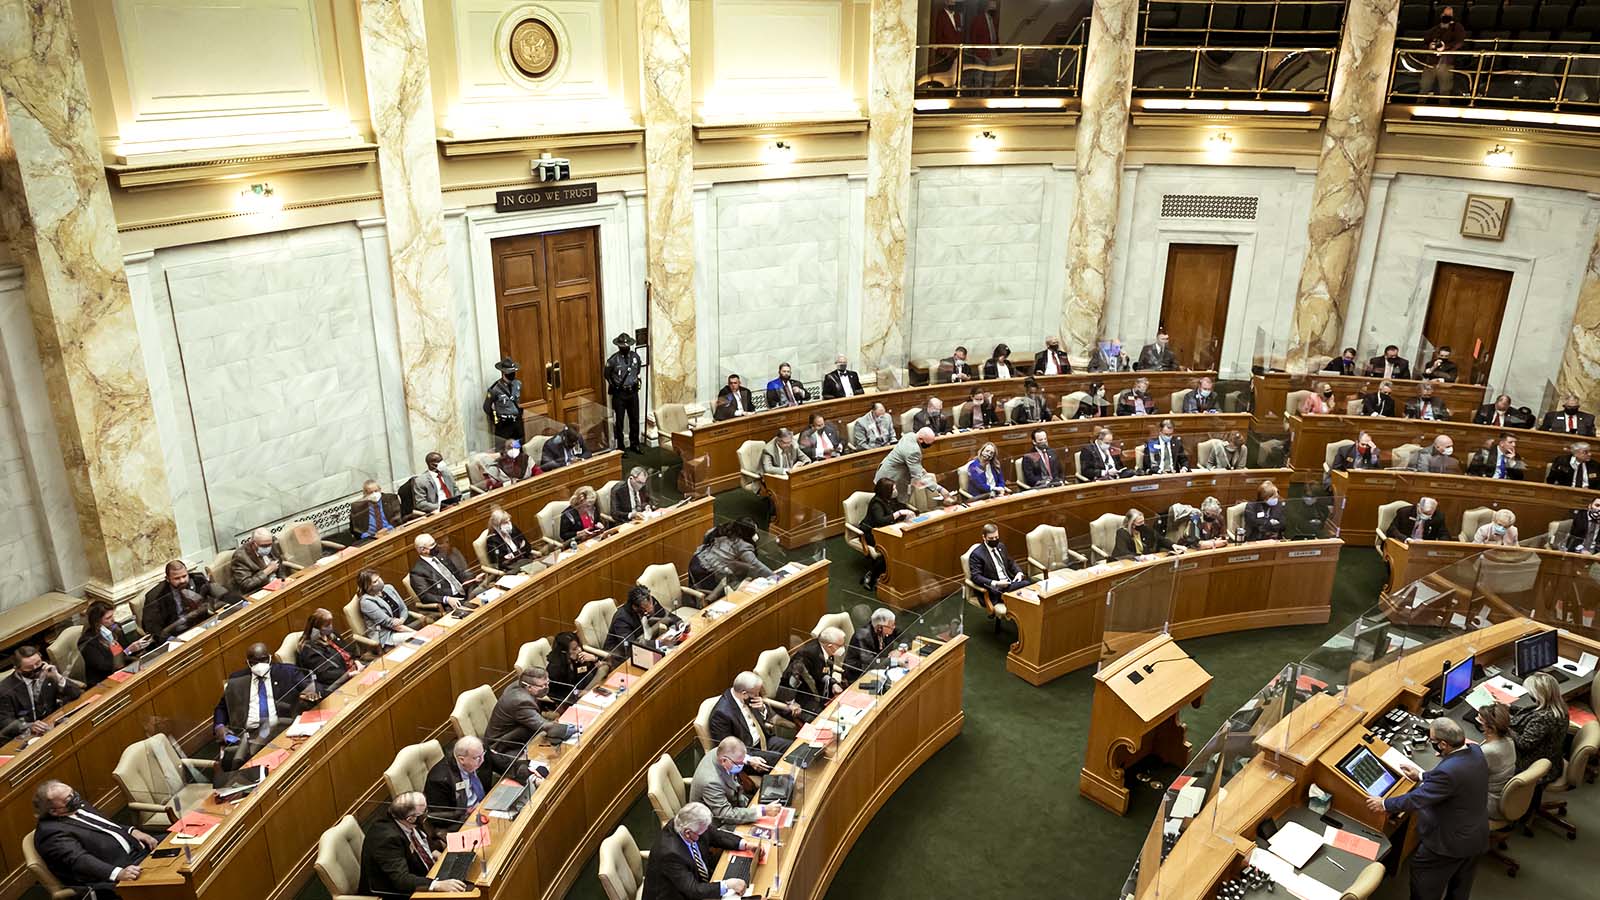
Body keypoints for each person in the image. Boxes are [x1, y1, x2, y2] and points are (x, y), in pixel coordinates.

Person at [1363, 717, 1487, 900]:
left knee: (1425, 884)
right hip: (1475, 835)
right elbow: (1453, 777)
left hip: (1449, 842)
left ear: (1443, 744)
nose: (1430, 743)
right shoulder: (1475, 750)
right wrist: (1422, 775)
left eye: (1432, 740)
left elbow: (1418, 798)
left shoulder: (1448, 772)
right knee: (1460, 887)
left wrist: (1384, 804)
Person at [32, 780, 159, 892]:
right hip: (116, 870)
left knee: (170, 841)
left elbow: (107, 825)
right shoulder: (51, 833)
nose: (74, 797)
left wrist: (133, 831)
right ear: (54, 811)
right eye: (68, 799)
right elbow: (80, 860)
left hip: (136, 849)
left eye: (72, 792)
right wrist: (118, 873)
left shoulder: (78, 806)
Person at [359, 792, 469, 896]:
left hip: (426, 873)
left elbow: (422, 842)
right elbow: (401, 880)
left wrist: (436, 854)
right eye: (424, 812)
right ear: (411, 819)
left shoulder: (406, 819)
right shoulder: (387, 840)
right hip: (398, 892)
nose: (427, 814)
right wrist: (437, 885)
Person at [641, 802, 754, 900]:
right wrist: (727, 885)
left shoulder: (688, 824)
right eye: (701, 833)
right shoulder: (670, 854)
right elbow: (693, 890)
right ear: (687, 833)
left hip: (695, 882)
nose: (705, 833)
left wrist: (745, 844)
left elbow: (716, 835)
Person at [212, 643, 316, 747]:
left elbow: (311, 686)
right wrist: (219, 725)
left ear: (270, 658)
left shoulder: (287, 672)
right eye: (254, 662)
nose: (259, 665)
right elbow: (222, 708)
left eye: (263, 660)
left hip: (281, 729)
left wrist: (312, 692)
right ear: (248, 663)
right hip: (249, 734)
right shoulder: (237, 680)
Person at [708, 671, 797, 768]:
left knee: (796, 748)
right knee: (785, 761)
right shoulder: (721, 714)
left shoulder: (748, 696)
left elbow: (763, 720)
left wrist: (762, 709)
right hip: (748, 752)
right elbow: (726, 749)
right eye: (756, 693)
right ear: (744, 694)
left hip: (765, 740)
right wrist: (748, 759)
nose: (758, 695)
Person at [690, 737, 782, 828]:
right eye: (739, 763)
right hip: (714, 823)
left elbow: (737, 758)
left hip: (735, 800)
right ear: (724, 760)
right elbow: (726, 815)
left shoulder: (721, 752)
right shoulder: (710, 782)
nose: (742, 766)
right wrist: (763, 811)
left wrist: (748, 760)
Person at [424, 736, 506, 830]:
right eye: (477, 758)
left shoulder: (480, 752)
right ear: (461, 759)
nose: (482, 760)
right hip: (464, 821)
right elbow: (438, 817)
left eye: (483, 754)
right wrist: (465, 813)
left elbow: (508, 766)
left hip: (488, 805)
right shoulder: (438, 780)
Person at [0, 646, 82, 740]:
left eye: (38, 663)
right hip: (27, 736)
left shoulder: (48, 673)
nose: (36, 669)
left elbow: (75, 693)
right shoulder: (4, 690)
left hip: (51, 725)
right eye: (29, 668)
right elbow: (5, 721)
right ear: (17, 669)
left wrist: (58, 677)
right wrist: (28, 726)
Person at [485, 666, 573, 747]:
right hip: (502, 745)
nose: (546, 688)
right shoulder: (521, 701)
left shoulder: (520, 685)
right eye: (542, 686)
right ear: (529, 687)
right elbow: (543, 725)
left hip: (519, 731)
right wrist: (571, 729)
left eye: (547, 683)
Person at [78, 600, 153, 688]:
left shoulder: (115, 628)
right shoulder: (87, 642)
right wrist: (128, 651)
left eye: (112, 615)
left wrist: (139, 645)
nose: (113, 620)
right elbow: (105, 666)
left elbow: (128, 648)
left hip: (125, 670)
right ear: (97, 622)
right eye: (108, 618)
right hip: (104, 681)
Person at [141, 559, 222, 640]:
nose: (182, 581)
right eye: (177, 578)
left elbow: (220, 597)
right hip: (177, 634)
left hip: (202, 625)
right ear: (167, 579)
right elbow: (153, 629)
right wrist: (173, 640)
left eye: (184, 576)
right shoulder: (155, 597)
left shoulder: (198, 579)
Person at [1511, 672, 1567, 788]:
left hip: (1536, 767)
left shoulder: (1543, 719)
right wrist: (1509, 708)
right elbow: (1532, 713)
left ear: (1538, 695)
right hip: (1553, 758)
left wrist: (1504, 726)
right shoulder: (1559, 708)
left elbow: (1524, 743)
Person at [689, 519, 775, 592]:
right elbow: (757, 565)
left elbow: (707, 536)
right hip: (707, 572)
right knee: (716, 594)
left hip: (696, 561)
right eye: (754, 532)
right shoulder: (743, 546)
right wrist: (775, 577)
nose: (756, 535)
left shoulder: (723, 530)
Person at [858, 478, 913, 590]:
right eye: (893, 489)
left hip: (886, 531)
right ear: (886, 491)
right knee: (887, 551)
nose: (895, 491)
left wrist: (910, 511)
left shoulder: (890, 499)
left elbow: (899, 507)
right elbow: (881, 521)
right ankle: (871, 577)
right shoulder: (876, 503)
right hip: (871, 533)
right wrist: (899, 513)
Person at [966, 523, 1032, 616]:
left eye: (996, 537)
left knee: (1030, 586)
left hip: (1009, 583)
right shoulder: (977, 555)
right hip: (994, 590)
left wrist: (1018, 572)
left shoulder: (1001, 546)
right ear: (984, 537)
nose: (994, 540)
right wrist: (996, 583)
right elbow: (976, 577)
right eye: (991, 538)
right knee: (1027, 585)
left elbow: (1011, 562)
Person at [782, 627, 848, 715]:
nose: (843, 648)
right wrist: (791, 702)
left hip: (819, 690)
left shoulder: (827, 650)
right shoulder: (805, 656)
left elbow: (821, 671)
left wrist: (833, 683)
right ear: (830, 646)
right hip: (805, 698)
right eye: (840, 645)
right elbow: (791, 680)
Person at [410, 532, 481, 610]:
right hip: (449, 602)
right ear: (423, 550)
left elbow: (457, 574)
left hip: (464, 592)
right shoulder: (417, 571)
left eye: (435, 543)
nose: (436, 546)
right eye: (432, 545)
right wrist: (447, 599)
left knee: (484, 593)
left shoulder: (441, 556)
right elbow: (425, 596)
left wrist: (473, 579)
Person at [297, 608, 360, 693]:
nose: (331, 627)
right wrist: (349, 674)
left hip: (355, 671)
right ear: (316, 629)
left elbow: (348, 650)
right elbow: (326, 674)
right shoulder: (310, 650)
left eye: (331, 623)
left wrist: (357, 662)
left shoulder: (332, 635)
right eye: (327, 625)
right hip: (339, 684)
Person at [874, 428, 940, 501]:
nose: (929, 446)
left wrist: (921, 470)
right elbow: (918, 476)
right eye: (928, 444)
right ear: (920, 439)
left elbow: (915, 465)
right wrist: (940, 489)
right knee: (891, 504)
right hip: (890, 480)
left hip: (886, 472)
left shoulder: (910, 435)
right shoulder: (913, 451)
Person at [356, 569, 417, 649]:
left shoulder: (389, 588)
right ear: (367, 587)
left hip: (403, 625)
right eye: (375, 582)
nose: (380, 582)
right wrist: (416, 633)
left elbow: (404, 609)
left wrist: (401, 620)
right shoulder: (366, 602)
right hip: (387, 635)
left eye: (379, 578)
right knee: (418, 639)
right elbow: (390, 623)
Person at [605, 332, 644, 452]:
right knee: (619, 422)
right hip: (620, 394)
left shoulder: (635, 357)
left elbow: (637, 371)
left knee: (634, 419)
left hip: (632, 392)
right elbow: (607, 375)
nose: (625, 348)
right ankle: (620, 447)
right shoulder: (613, 360)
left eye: (627, 346)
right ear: (618, 346)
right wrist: (616, 386)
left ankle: (635, 444)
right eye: (623, 346)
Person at [607, 585, 675, 651]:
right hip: (620, 654)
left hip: (646, 643)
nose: (650, 609)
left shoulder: (649, 601)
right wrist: (659, 643)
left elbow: (666, 615)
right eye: (645, 610)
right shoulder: (622, 619)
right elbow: (631, 645)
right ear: (635, 607)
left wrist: (679, 624)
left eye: (651, 604)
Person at [1479, 703, 1517, 819]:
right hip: (1504, 797)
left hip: (1490, 803)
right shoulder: (1509, 740)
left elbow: (1467, 777)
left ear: (1491, 728)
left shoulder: (1488, 751)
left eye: (1480, 721)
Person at [1419, 7, 1467, 97]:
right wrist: (1429, 46)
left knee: (1445, 91)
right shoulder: (1435, 29)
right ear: (1441, 15)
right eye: (1445, 14)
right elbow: (1424, 42)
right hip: (1430, 62)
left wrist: (1445, 47)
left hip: (1446, 63)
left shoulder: (1457, 27)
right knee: (1424, 88)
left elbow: (1459, 42)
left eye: (1449, 15)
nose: (1447, 16)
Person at [846, 608, 902, 680]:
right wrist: (894, 661)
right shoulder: (862, 636)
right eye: (892, 625)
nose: (894, 627)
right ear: (879, 628)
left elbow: (906, 637)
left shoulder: (887, 627)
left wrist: (899, 649)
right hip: (860, 673)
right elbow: (870, 663)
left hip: (881, 667)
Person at [548, 632, 607, 697]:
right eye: (574, 649)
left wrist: (594, 659)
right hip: (571, 696)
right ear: (564, 652)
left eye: (579, 646)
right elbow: (557, 693)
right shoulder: (555, 669)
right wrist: (578, 692)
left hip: (584, 689)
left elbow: (589, 673)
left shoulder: (578, 657)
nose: (580, 650)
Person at [230, 528, 283, 593]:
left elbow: (280, 565)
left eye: (269, 545)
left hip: (278, 584)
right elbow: (246, 585)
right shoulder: (241, 556)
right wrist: (267, 571)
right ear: (253, 543)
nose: (268, 548)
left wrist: (283, 581)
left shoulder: (271, 543)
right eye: (264, 546)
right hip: (261, 590)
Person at [483, 357, 524, 444]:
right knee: (503, 448)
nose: (512, 374)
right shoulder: (494, 389)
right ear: (504, 373)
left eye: (513, 372)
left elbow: (518, 401)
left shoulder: (517, 384)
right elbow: (486, 407)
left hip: (517, 422)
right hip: (504, 425)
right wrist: (496, 421)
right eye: (510, 372)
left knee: (519, 447)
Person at [486, 506, 538, 571]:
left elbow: (528, 547)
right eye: (505, 522)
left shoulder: (514, 529)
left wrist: (513, 555)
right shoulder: (492, 540)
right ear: (497, 525)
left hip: (526, 561)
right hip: (511, 569)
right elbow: (500, 562)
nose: (509, 524)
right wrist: (520, 551)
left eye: (509, 521)